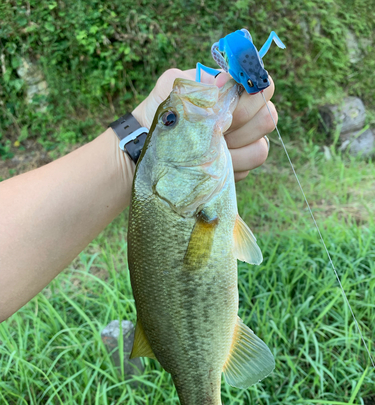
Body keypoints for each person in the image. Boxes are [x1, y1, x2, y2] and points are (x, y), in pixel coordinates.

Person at [0, 68, 278, 322]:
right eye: (170, 120)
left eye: (168, 120)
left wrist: (142, 126)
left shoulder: (176, 196)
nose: (172, 116)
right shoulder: (182, 200)